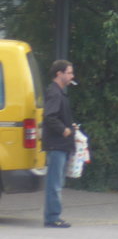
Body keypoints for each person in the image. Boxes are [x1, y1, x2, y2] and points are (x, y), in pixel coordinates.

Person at [42, 59, 77, 228]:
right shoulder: (54, 93)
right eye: (69, 72)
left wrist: (71, 126)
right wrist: (64, 130)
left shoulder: (59, 92)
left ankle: (53, 215)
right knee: (54, 184)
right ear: (59, 73)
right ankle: (52, 217)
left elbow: (57, 115)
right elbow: (50, 116)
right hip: (57, 145)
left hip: (61, 145)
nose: (72, 76)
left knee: (57, 182)